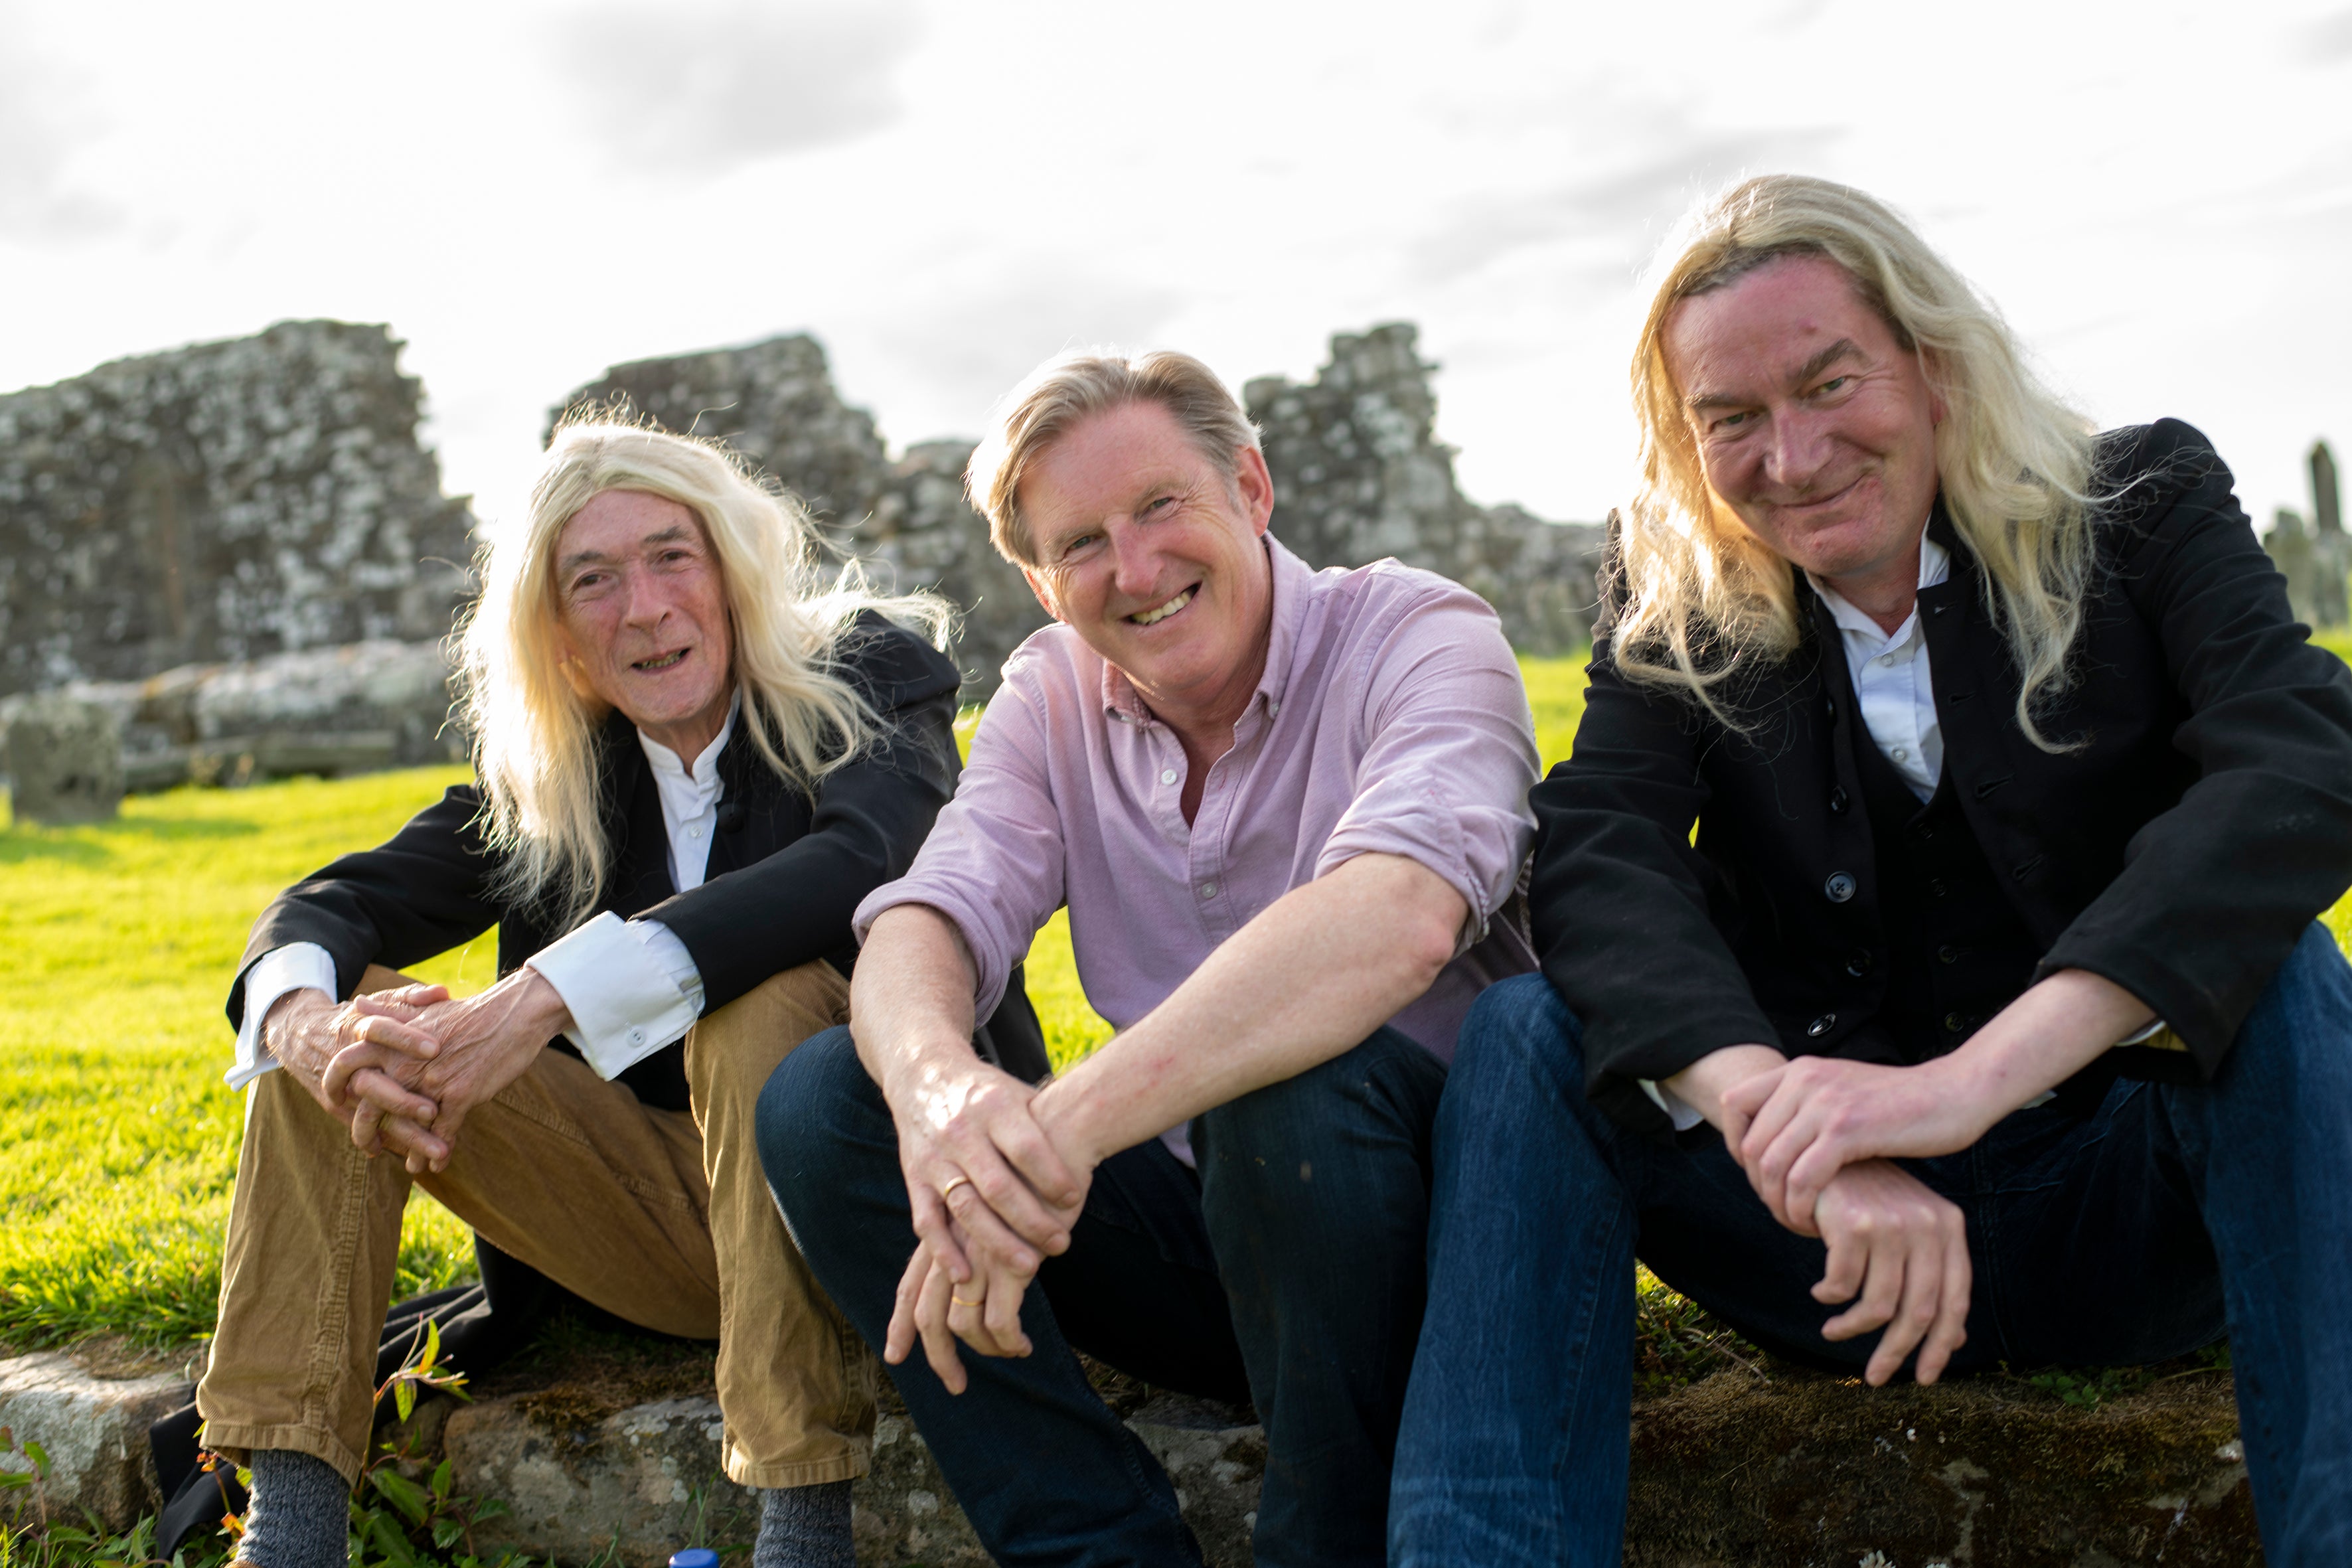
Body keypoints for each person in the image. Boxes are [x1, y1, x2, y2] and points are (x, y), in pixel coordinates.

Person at [1391, 174, 2352, 1565]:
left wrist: (1958, 1091)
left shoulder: (2137, 503)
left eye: (1829, 381)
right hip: (1817, 1256)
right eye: (1728, 418)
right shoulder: (1670, 590)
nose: (1788, 455)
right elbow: (1600, 852)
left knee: (2277, 979)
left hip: (2131, 1207)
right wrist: (1789, 1128)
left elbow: (2295, 765)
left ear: (1932, 361)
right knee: (1525, 1027)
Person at [195, 419, 1044, 1568]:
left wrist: (552, 990)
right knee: (358, 1037)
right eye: (592, 581)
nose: (643, 608)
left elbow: (858, 864)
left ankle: (802, 1530)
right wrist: (301, 1022)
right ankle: (292, 1528)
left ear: (734, 571)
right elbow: (328, 907)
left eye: (670, 557)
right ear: (558, 636)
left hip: (880, 1208)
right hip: (664, 1228)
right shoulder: (567, 774)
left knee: (764, 1001)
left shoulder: (871, 679)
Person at [756, 350, 1539, 1566]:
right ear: (1036, 577)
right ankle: (1096, 1547)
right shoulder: (1051, 695)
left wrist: (1054, 1135)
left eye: (1163, 506)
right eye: (1080, 543)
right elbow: (930, 912)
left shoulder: (1420, 634)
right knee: (822, 1101)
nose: (1135, 569)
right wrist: (941, 1098)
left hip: (1420, 1245)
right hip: (1200, 1241)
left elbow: (1400, 913)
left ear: (1252, 487)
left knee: (1292, 1083)